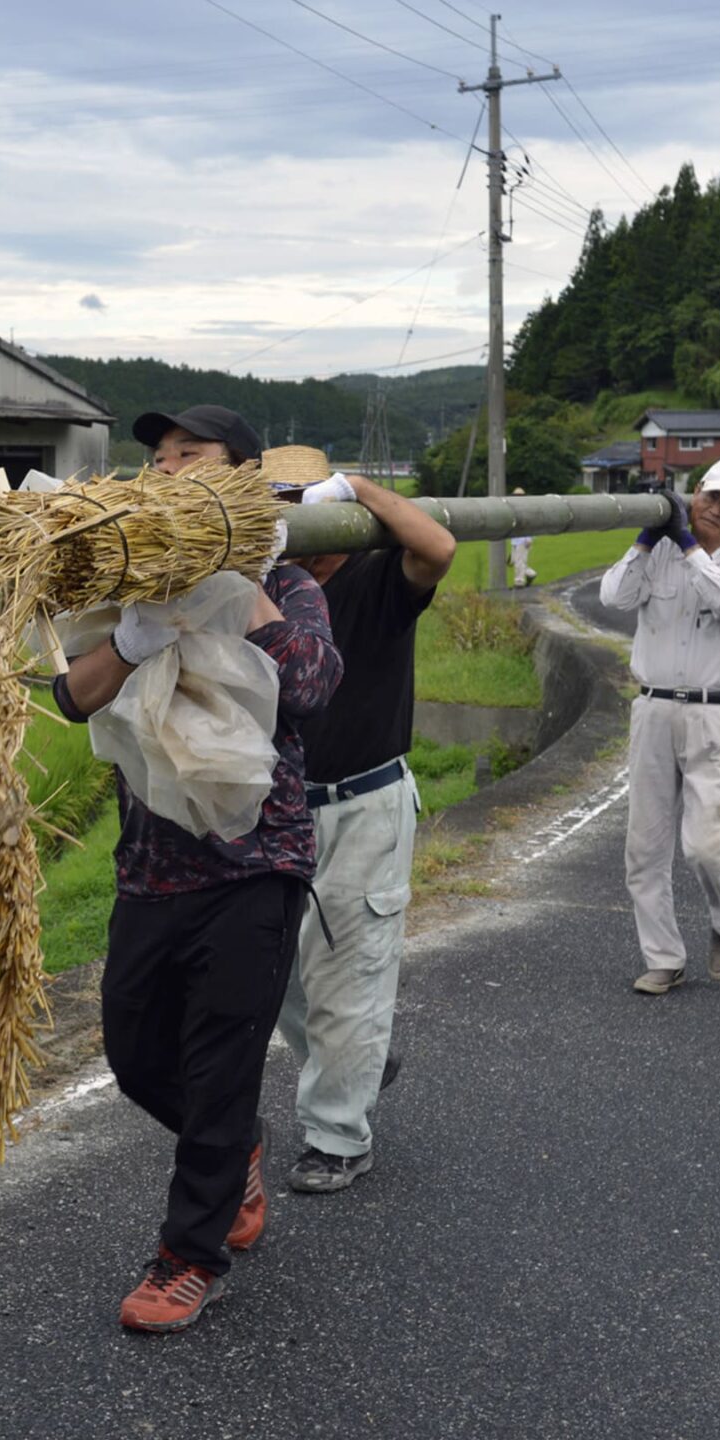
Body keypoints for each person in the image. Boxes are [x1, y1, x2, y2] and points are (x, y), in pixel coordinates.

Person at [55, 405, 343, 1333]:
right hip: (151, 862)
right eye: (159, 457)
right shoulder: (119, 582)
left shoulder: (291, 581)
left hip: (258, 859)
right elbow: (70, 697)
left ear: (241, 475)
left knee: (221, 1060)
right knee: (135, 1051)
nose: (168, 469)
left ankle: (188, 1255)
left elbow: (308, 684)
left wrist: (235, 568)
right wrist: (136, 635)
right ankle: (235, 1150)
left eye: (193, 456)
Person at [258, 447, 456, 1194]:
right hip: (277, 803)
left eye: (301, 502)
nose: (291, 520)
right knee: (275, 971)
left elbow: (439, 545)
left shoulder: (380, 574)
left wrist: (359, 487)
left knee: (352, 963)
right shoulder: (264, 587)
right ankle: (358, 1060)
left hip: (363, 799)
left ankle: (337, 1136)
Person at [600, 458, 720, 996]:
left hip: (716, 714)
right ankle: (663, 956)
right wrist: (647, 542)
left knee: (706, 846)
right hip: (653, 707)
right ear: (695, 493)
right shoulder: (662, 554)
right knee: (644, 848)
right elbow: (614, 597)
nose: (715, 509)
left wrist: (688, 545)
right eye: (710, 496)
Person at [507, 489, 536, 588]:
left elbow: (531, 524)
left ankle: (519, 582)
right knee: (516, 561)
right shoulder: (514, 508)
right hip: (515, 539)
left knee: (519, 562)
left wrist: (529, 538)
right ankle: (530, 574)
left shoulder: (526, 509)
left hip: (523, 539)